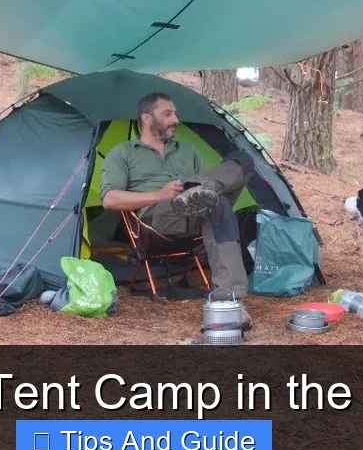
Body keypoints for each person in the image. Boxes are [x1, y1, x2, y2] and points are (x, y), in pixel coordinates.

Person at [100, 92, 256, 324]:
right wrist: (159, 195)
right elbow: (110, 200)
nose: (176, 119)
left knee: (241, 161)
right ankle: (228, 299)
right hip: (157, 217)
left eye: (176, 114)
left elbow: (212, 183)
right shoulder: (123, 153)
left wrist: (198, 190)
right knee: (215, 202)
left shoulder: (188, 150)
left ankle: (227, 299)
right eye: (168, 114)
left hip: (196, 211)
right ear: (147, 118)